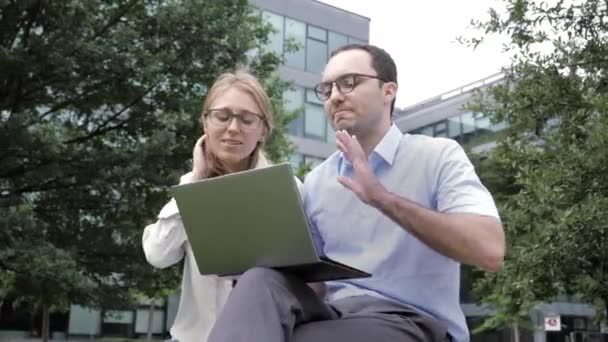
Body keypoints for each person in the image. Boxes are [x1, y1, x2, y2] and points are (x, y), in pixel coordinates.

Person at [206, 44, 506, 342]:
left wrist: (382, 198)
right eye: (327, 89)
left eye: (349, 82)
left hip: (413, 321)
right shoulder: (317, 181)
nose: (335, 96)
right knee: (259, 281)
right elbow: (316, 286)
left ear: (388, 91)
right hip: (338, 316)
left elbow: (489, 251)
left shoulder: (438, 155)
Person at [142, 70, 277, 342]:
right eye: (222, 116)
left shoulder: (287, 190)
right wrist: (195, 181)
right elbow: (158, 255)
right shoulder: (192, 186)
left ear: (263, 129)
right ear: (206, 123)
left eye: (247, 119)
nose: (233, 128)